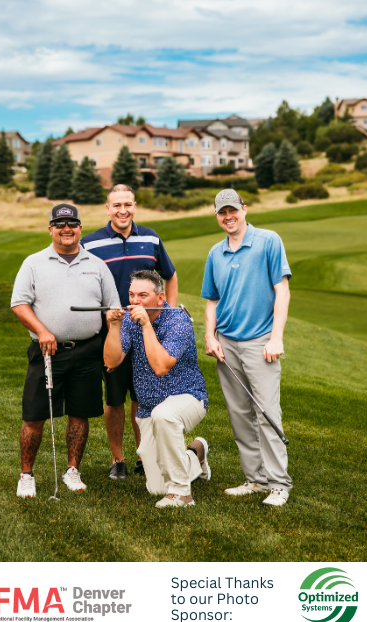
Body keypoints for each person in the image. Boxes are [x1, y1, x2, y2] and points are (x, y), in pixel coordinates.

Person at [11, 203, 120, 498]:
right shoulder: (33, 263)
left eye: (72, 223)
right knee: (34, 415)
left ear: (80, 228)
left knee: (79, 414)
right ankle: (26, 475)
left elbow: (112, 308)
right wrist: (43, 331)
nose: (66, 229)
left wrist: (113, 326)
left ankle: (73, 470)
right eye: (60, 225)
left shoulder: (97, 265)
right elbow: (19, 304)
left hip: (87, 351)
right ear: (51, 229)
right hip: (47, 352)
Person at [201, 189, 292, 507]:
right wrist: (210, 336)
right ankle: (255, 479)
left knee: (267, 412)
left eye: (233, 210)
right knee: (240, 415)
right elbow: (212, 300)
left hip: (259, 343)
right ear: (216, 216)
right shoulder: (215, 253)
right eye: (221, 212)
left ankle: (279, 484)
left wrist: (276, 337)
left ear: (244, 209)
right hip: (226, 345)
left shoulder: (268, 241)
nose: (228, 216)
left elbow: (282, 290)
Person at [81, 184, 178, 481]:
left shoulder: (150, 237)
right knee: (114, 398)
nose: (122, 210)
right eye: (116, 205)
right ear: (107, 209)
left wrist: (167, 316)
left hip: (146, 330)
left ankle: (142, 454)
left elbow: (170, 277)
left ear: (135, 206)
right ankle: (117, 458)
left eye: (128, 204)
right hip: (112, 333)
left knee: (142, 395)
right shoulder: (90, 244)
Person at [104, 270, 210, 508]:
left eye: (143, 295)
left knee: (165, 415)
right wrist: (114, 326)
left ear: (160, 299)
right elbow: (111, 362)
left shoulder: (178, 320)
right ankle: (196, 454)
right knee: (155, 488)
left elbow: (161, 366)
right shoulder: (129, 321)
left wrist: (145, 326)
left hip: (187, 397)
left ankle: (182, 494)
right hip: (148, 408)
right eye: (131, 295)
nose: (135, 302)